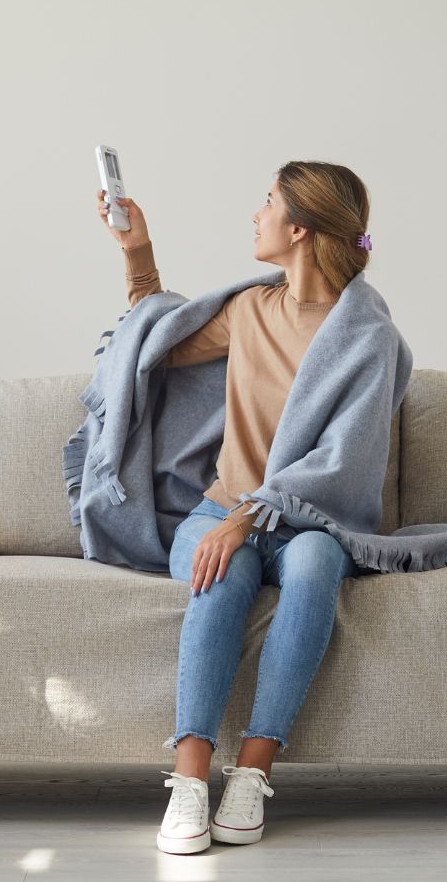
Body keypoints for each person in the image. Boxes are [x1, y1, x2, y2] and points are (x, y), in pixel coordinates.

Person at [95, 160, 381, 855]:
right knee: (222, 572)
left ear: (299, 230)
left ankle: (253, 772)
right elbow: (152, 347)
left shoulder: (368, 336)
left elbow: (343, 462)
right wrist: (138, 252)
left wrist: (248, 518)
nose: (255, 217)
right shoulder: (251, 311)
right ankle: (190, 779)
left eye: (267, 204)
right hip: (217, 512)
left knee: (315, 565)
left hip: (312, 520)